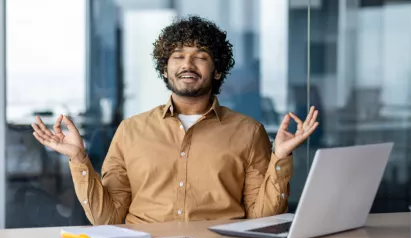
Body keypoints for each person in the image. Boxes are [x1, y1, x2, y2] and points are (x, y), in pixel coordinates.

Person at [31, 16, 319, 225]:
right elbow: (108, 219)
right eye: (178, 56)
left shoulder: (247, 131)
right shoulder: (131, 131)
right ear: (166, 70)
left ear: (217, 71)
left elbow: (261, 219)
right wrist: (79, 158)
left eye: (200, 57)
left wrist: (280, 156)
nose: (187, 65)